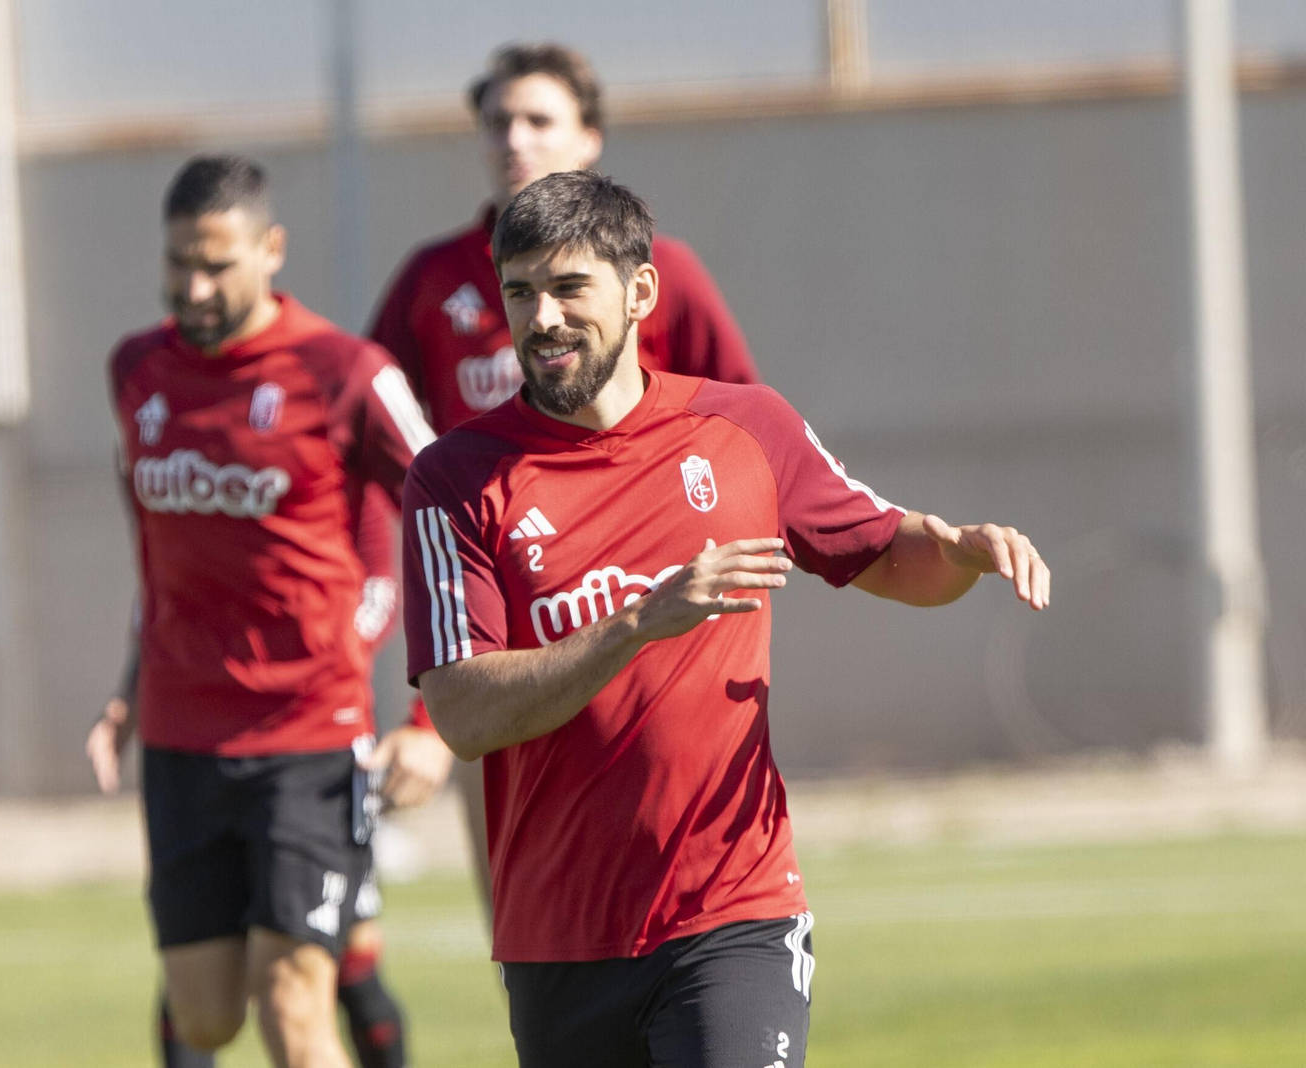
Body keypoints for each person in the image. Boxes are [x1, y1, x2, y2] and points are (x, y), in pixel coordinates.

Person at [400, 171, 1051, 1068]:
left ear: (640, 292)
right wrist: (637, 623)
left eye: (568, 286)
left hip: (731, 912)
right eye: (521, 292)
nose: (542, 317)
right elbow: (466, 715)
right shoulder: (454, 478)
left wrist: (966, 555)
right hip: (558, 939)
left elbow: (893, 557)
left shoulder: (743, 429)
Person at [369, 41, 761, 913]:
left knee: (689, 901)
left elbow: (748, 433)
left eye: (539, 119)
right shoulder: (432, 283)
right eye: (498, 121)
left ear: (590, 139)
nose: (515, 138)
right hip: (505, 631)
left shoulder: (664, 275)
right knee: (529, 913)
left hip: (654, 627)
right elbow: (371, 457)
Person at [86, 154, 448, 1068]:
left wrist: (433, 716)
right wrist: (127, 697)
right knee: (206, 1019)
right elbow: (158, 563)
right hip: (180, 737)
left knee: (296, 1007)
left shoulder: (346, 372)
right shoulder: (135, 371)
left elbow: (454, 516)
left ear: (272, 249)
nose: (195, 286)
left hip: (309, 736)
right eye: (178, 264)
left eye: (217, 262)